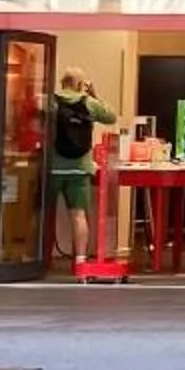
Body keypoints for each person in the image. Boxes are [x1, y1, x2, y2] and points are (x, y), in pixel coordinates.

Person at [49, 66, 121, 265]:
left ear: (62, 82)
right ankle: (80, 260)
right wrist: (94, 94)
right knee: (78, 215)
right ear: (81, 84)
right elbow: (111, 117)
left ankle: (41, 258)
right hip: (80, 168)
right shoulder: (89, 103)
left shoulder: (52, 102)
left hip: (53, 167)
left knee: (45, 214)